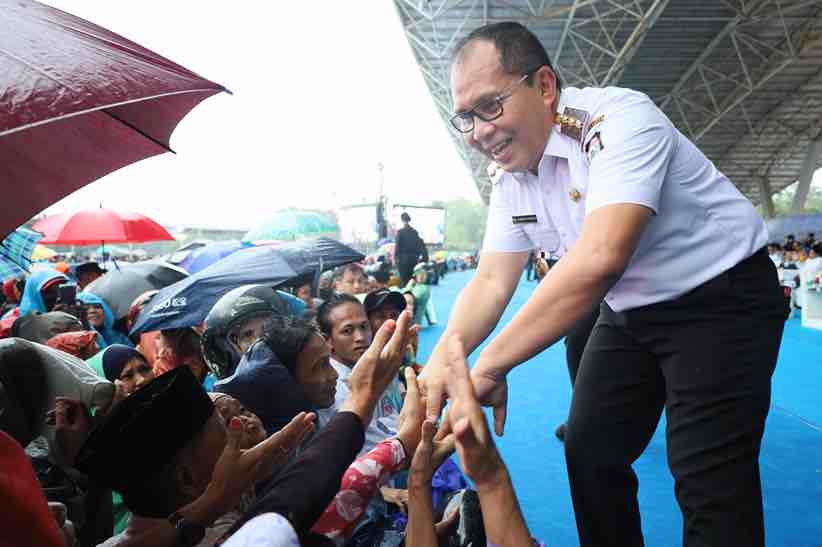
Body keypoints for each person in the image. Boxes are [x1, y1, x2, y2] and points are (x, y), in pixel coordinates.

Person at [419, 21, 787, 547]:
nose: (478, 131)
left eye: (490, 107)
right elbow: (492, 279)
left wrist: (492, 365)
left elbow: (599, 259)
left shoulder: (618, 120)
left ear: (544, 87)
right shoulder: (512, 176)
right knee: (589, 450)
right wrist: (440, 368)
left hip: (719, 299)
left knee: (709, 481)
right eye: (466, 118)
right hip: (631, 310)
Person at [75, 311, 412, 547]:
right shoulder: (220, 533)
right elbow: (287, 510)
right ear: (188, 480)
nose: (246, 428)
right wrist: (367, 405)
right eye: (225, 426)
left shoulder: (182, 524)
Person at [316, 294, 401, 454]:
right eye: (347, 331)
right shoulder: (332, 389)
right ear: (328, 340)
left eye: (364, 327)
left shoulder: (379, 366)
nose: (360, 338)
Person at [201, 285, 286, 379]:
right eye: (248, 334)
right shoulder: (226, 392)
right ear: (231, 351)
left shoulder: (300, 366)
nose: (260, 338)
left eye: (268, 329)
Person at [395, 212, 429, 286]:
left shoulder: (400, 232)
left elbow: (397, 247)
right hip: (414, 260)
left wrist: (396, 259)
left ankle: (405, 296)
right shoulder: (415, 232)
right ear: (409, 220)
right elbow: (419, 245)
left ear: (402, 220)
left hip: (403, 261)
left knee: (404, 281)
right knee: (412, 281)